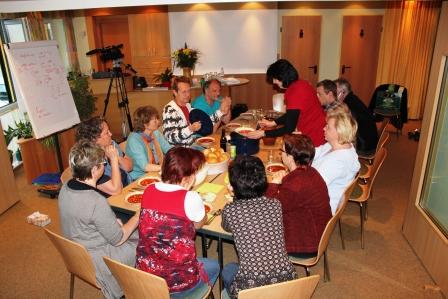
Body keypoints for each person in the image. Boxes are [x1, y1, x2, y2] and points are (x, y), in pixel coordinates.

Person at [58, 141, 139, 299]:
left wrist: (113, 222)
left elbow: (85, 219)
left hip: (76, 253)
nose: (104, 165)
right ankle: (143, 286)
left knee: (126, 225)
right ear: (95, 170)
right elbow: (118, 240)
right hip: (99, 259)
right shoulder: (95, 200)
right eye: (103, 163)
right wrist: (138, 215)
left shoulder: (66, 187)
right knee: (146, 239)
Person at [136, 146, 219, 297]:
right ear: (187, 178)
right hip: (178, 283)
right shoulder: (191, 198)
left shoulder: (148, 190)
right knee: (214, 265)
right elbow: (198, 225)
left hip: (146, 276)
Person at [221, 155, 297, 299]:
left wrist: (235, 199)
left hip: (250, 290)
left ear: (232, 185)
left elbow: (226, 227)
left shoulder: (231, 210)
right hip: (287, 284)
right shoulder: (275, 204)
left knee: (228, 269)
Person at [265, 134, 332, 257]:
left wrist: (273, 184)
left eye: (282, 151)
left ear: (290, 157)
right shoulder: (311, 172)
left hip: (306, 244)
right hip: (316, 232)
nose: (281, 154)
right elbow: (291, 198)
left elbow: (271, 208)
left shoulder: (296, 185)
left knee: (257, 225)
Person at [247, 59, 326, 146]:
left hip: (315, 136)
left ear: (283, 76)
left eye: (275, 78)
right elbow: (291, 114)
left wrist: (263, 133)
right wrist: (273, 123)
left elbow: (289, 128)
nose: (274, 82)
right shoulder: (301, 84)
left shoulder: (295, 92)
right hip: (318, 130)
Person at [312, 107, 361, 214]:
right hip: (317, 196)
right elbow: (314, 152)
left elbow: (312, 188)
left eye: (328, 127)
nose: (324, 129)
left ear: (339, 132)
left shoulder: (337, 162)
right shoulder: (338, 145)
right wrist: (297, 148)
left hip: (318, 208)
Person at [162, 76, 231, 147]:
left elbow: (206, 122)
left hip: (193, 145)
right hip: (180, 152)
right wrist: (190, 129)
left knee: (223, 146)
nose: (188, 95)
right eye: (184, 92)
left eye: (188, 91)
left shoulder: (188, 106)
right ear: (175, 92)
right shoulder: (169, 110)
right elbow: (170, 138)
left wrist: (221, 112)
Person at [76, 116, 132, 195]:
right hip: (111, 200)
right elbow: (115, 190)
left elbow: (129, 167)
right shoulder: (90, 161)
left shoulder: (111, 144)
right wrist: (113, 160)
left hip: (128, 188)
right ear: (94, 139)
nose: (111, 134)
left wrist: (117, 157)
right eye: (106, 133)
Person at [125, 105, 172, 181]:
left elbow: (169, 149)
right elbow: (145, 166)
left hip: (157, 170)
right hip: (140, 177)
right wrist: (166, 168)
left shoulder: (155, 133)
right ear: (145, 124)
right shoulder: (134, 139)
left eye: (157, 118)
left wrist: (182, 155)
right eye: (155, 120)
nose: (158, 122)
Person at [335, 78, 379, 156]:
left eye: (335, 91)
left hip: (364, 146)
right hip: (370, 141)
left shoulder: (348, 106)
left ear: (343, 92)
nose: (333, 93)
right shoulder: (352, 99)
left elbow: (345, 130)